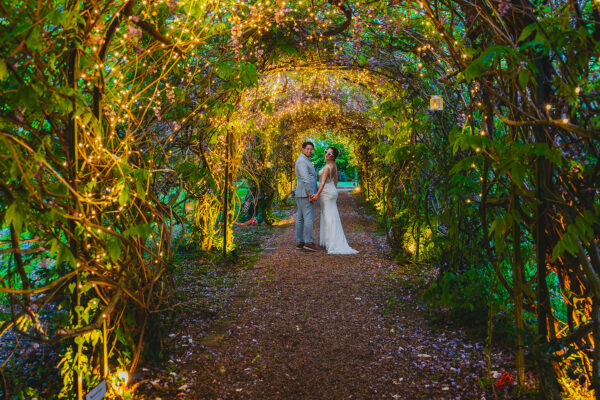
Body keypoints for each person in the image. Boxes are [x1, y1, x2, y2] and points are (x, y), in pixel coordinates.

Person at [310, 147, 358, 254]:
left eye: (329, 154)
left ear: (333, 156)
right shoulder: (334, 165)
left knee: (328, 218)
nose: (326, 154)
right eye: (326, 152)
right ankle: (330, 240)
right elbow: (335, 179)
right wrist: (333, 190)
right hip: (331, 190)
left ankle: (333, 243)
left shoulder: (327, 167)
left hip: (326, 192)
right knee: (332, 215)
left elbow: (322, 183)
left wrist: (317, 194)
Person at [294, 141, 319, 251]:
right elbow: (305, 178)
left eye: (311, 149)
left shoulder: (304, 159)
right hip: (306, 194)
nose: (309, 151)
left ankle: (300, 241)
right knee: (308, 218)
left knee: (300, 218)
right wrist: (311, 193)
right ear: (303, 149)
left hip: (302, 193)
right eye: (307, 149)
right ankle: (308, 242)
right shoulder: (302, 161)